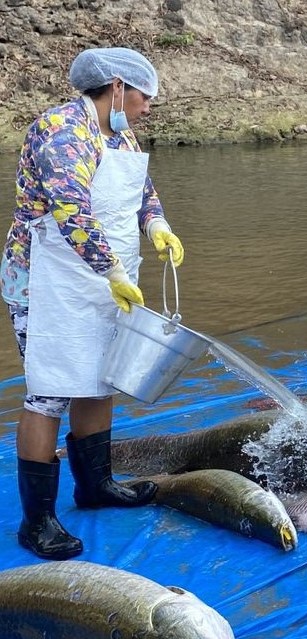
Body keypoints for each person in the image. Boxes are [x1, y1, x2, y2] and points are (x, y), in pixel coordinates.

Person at [0, 47, 185, 561]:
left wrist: (158, 225)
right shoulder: (59, 131)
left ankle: (95, 485)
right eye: (146, 96)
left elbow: (141, 191)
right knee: (50, 391)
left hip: (106, 277)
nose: (149, 107)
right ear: (119, 86)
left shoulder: (119, 131)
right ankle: (37, 522)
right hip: (51, 280)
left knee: (102, 376)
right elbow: (71, 212)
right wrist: (113, 271)